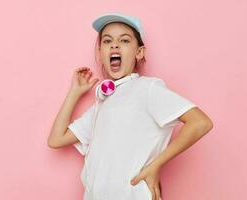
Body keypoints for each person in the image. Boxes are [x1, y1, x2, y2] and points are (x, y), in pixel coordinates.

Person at [48, 12, 213, 200]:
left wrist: (155, 166)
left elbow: (200, 122)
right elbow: (56, 139)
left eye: (124, 41)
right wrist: (74, 93)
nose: (115, 45)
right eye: (108, 41)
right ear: (101, 52)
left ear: (139, 52)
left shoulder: (147, 88)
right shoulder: (101, 104)